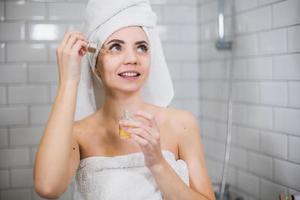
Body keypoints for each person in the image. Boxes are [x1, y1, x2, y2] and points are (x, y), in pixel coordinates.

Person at [33, 0, 215, 199]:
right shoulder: (79, 135)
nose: (132, 58)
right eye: (116, 47)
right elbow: (47, 187)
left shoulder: (182, 124)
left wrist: (157, 163)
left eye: (142, 47)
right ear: (95, 65)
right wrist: (69, 81)